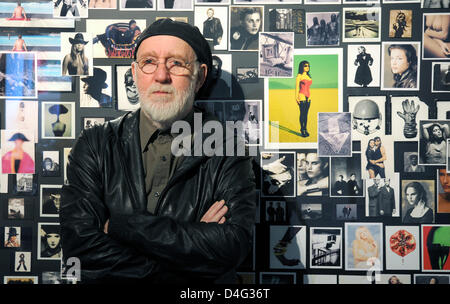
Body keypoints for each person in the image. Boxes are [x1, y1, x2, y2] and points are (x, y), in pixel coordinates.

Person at [60, 19, 256, 283]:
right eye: (149, 62)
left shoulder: (228, 148)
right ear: (135, 71)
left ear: (200, 76)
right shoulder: (95, 144)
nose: (161, 76)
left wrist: (121, 226)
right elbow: (80, 250)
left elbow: (232, 247)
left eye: (176, 63)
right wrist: (191, 252)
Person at [295, 61, 312, 137]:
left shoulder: (308, 76)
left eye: (308, 66)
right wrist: (296, 97)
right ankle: (302, 130)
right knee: (302, 114)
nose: (307, 67)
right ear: (302, 67)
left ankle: (305, 129)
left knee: (306, 114)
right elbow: (296, 88)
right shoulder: (299, 76)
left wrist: (310, 96)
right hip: (301, 95)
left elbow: (308, 87)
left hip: (309, 96)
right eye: (305, 66)